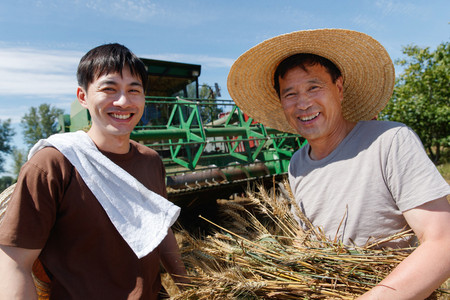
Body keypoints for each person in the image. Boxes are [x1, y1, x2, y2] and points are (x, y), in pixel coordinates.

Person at [227, 29, 450, 299]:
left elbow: (443, 242)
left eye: (314, 87)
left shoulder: (389, 142)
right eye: (290, 94)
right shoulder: (298, 163)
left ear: (339, 88)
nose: (304, 103)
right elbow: (307, 238)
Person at [0, 43, 188, 299]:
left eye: (134, 90)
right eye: (109, 89)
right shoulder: (53, 165)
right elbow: (14, 263)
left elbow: (160, 226)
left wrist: (191, 288)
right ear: (82, 96)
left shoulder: (151, 161)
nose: (123, 101)